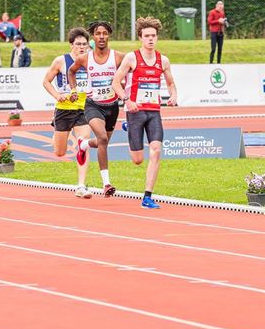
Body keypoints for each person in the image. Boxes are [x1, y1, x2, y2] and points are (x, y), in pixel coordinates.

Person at [112, 16, 177, 209]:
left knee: (156, 151)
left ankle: (147, 196)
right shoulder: (131, 58)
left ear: (157, 37)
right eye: (147, 35)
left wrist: (173, 95)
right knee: (138, 160)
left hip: (154, 112)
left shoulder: (163, 60)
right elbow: (116, 82)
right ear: (140, 37)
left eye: (153, 36)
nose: (150, 39)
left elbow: (171, 83)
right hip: (135, 111)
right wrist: (127, 100)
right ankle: (128, 126)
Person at [68, 21, 125, 197]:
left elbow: (130, 73)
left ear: (109, 35)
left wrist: (124, 86)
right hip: (93, 105)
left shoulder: (118, 57)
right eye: (98, 33)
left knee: (103, 141)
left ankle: (83, 144)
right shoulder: (85, 58)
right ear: (93, 36)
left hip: (112, 106)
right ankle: (106, 183)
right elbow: (71, 71)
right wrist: (74, 90)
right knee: (101, 138)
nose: (101, 37)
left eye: (104, 33)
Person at [42, 27, 93, 198]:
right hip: (64, 110)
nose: (81, 47)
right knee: (60, 152)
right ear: (71, 45)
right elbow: (46, 81)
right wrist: (58, 95)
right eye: (78, 44)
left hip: (83, 109)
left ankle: (81, 185)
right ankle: (56, 132)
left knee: (83, 144)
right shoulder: (60, 61)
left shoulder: (91, 61)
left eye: (84, 44)